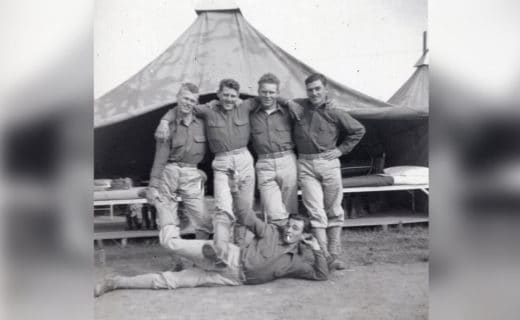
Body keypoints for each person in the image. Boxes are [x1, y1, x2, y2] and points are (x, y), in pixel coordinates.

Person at [94, 204, 328, 297]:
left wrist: (317, 250)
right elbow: (247, 215)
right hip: (232, 255)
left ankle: (115, 282)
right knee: (170, 243)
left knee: (169, 282)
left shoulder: (296, 261)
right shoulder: (270, 231)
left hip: (233, 280)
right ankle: (164, 207)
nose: (288, 229)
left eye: (294, 228)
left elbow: (321, 274)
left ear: (302, 235)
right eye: (288, 224)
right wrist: (236, 196)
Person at [155, 79, 256, 248]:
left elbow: (267, 99)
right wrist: (164, 121)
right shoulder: (207, 110)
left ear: (238, 96)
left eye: (233, 96)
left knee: (244, 209)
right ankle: (221, 250)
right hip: (222, 161)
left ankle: (240, 251)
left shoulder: (245, 106)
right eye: (225, 95)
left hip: (244, 158)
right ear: (218, 94)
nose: (229, 99)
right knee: (223, 208)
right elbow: (183, 107)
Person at [291, 73, 366, 270]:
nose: (314, 93)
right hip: (305, 164)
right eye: (310, 89)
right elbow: (282, 101)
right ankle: (323, 256)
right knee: (315, 211)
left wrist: (340, 150)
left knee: (333, 209)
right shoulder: (299, 106)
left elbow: (358, 130)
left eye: (318, 89)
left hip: (328, 163)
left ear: (325, 90)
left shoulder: (335, 111)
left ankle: (334, 254)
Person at [146, 83, 213, 258]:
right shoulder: (167, 125)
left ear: (196, 103)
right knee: (168, 221)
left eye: (192, 100)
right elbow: (160, 157)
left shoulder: (203, 123)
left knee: (204, 221)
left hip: (192, 173)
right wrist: (153, 185)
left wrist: (205, 172)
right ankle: (177, 260)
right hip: (169, 171)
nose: (188, 103)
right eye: (185, 98)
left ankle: (199, 257)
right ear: (177, 97)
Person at [246, 73, 298, 226]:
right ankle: (277, 243)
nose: (268, 95)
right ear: (258, 92)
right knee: (273, 211)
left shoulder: (289, 111)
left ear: (277, 93)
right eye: (264, 91)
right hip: (264, 163)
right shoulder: (250, 113)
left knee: (290, 209)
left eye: (272, 92)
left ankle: (289, 246)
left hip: (287, 161)